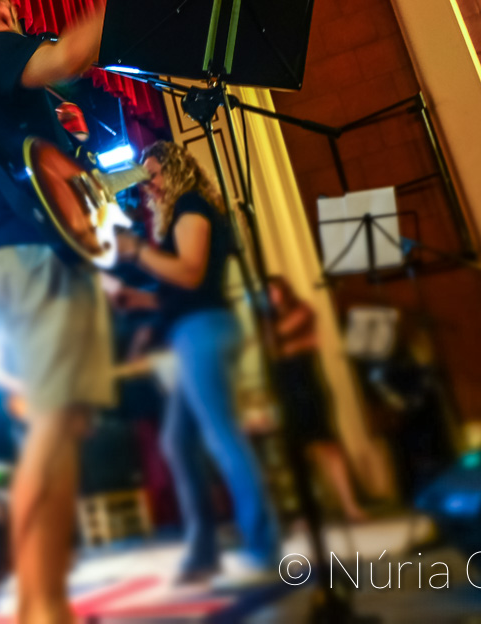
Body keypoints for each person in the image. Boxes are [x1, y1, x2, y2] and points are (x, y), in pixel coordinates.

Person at [0, 0, 113, 623]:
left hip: (14, 256)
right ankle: (36, 607)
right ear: (5, 11)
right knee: (53, 426)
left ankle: (47, 600)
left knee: (61, 425)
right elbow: (69, 56)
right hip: (31, 251)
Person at [111, 141, 280, 586]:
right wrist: (138, 299)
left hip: (203, 332)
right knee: (178, 441)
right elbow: (181, 292)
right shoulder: (182, 214)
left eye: (153, 174)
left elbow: (189, 273)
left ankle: (262, 546)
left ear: (175, 170)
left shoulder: (191, 205)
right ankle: (205, 549)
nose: (148, 185)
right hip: (195, 329)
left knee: (221, 437)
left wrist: (137, 251)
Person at [267, 276, 367, 523]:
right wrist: (285, 345)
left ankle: (350, 505)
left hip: (308, 383)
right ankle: (309, 512)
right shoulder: (266, 318)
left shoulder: (302, 310)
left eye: (273, 290)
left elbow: (297, 340)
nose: (270, 296)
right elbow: (272, 346)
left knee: (329, 444)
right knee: (297, 453)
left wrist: (285, 345)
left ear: (284, 290)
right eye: (267, 292)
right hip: (284, 388)